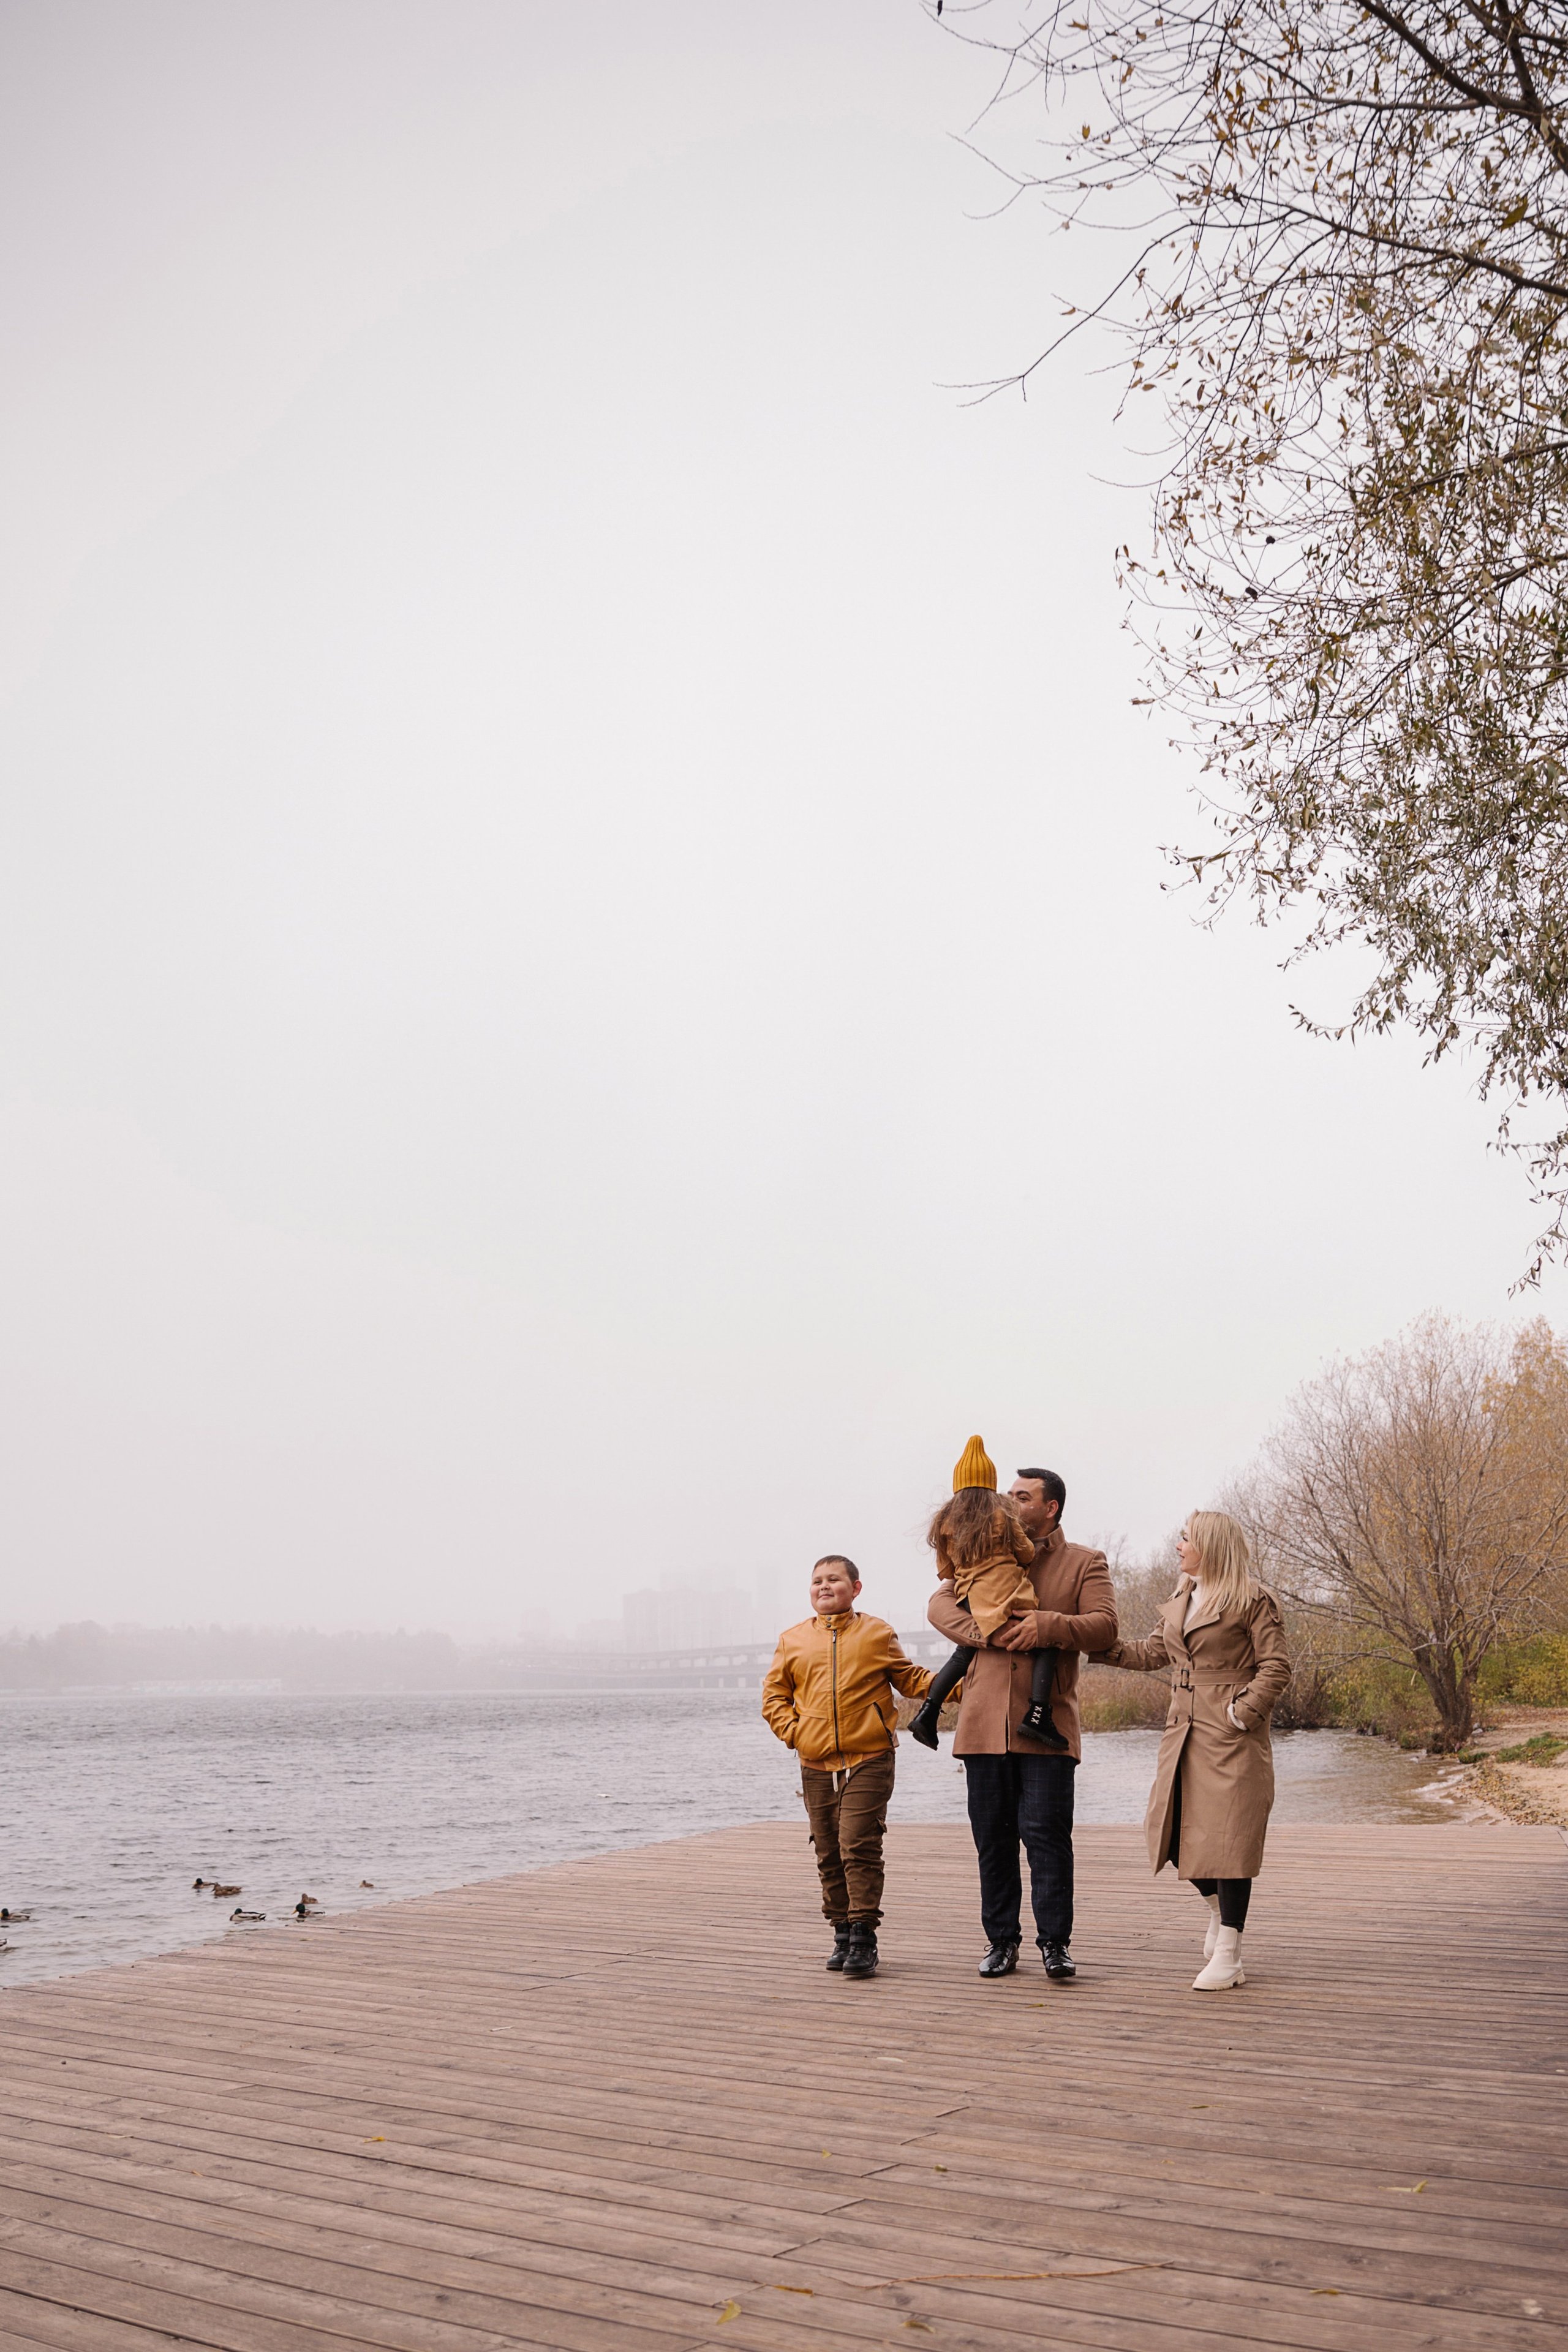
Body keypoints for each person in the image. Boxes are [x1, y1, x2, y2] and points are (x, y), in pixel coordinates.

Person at [927, 1466, 1117, 1981]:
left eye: (1022, 1496)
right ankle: (1001, 1943)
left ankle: (1055, 1945)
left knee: (1047, 1837)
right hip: (982, 1725)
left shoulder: (1085, 1563)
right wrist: (985, 1633)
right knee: (992, 1838)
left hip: (1047, 1724)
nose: (1009, 1502)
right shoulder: (981, 1552)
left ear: (1050, 1507)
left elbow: (1104, 1628)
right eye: (1008, 1495)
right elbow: (937, 1605)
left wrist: (1046, 1626)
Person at [1093, 1509, 1291, 1989]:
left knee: (1230, 1843)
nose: (1178, 1546)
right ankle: (1220, 1911)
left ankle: (1231, 1951)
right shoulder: (1183, 1594)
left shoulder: (1253, 1600)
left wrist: (1243, 1712)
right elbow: (1154, 1652)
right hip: (1182, 1729)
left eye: (1186, 1539)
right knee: (1174, 1835)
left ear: (1211, 1546)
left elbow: (1277, 1666)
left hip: (1231, 1735)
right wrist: (1098, 1645)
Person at [761, 1553, 933, 1981]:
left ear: (855, 1588)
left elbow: (910, 1679)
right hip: (815, 1760)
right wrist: (796, 1734)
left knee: (858, 1843)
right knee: (828, 1850)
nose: (824, 1586)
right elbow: (773, 1698)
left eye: (834, 1579)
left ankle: (863, 1936)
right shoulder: (792, 1640)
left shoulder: (877, 1633)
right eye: (817, 1581)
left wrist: (970, 1683)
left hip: (870, 1755)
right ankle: (840, 1931)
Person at [908, 1436, 1066, 1752]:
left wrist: (969, 1574)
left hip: (969, 1597)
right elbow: (1025, 1553)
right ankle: (1038, 1715)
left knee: (963, 1653)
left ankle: (927, 1713)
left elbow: (946, 1570)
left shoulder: (944, 1521)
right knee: (1047, 1644)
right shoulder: (1002, 1515)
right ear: (990, 1484)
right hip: (1007, 1594)